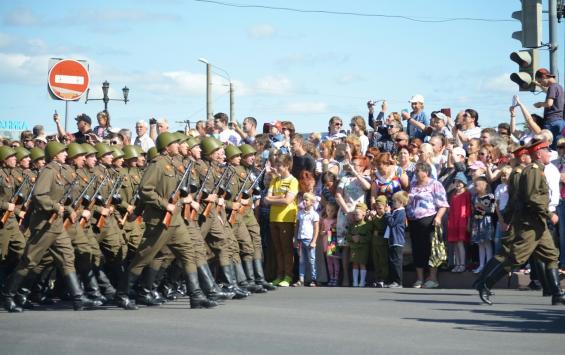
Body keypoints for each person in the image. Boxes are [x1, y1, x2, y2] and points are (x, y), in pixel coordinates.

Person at [2, 141, 103, 312]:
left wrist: (68, 209)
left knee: (67, 256)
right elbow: (39, 195)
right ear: (55, 155)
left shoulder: (60, 171)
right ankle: (9, 295)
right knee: (30, 260)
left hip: (56, 225)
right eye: (63, 152)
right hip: (44, 225)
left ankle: (78, 298)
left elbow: (63, 198)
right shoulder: (49, 171)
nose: (66, 154)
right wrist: (56, 207)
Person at [476, 139, 565, 306]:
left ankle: (556, 293)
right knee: (516, 257)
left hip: (538, 223)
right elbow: (532, 198)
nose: (549, 155)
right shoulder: (533, 171)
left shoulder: (539, 170)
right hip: (530, 223)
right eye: (547, 152)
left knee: (551, 255)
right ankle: (485, 284)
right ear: (539, 154)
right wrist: (548, 213)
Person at [406, 162, 449, 289]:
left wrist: (438, 217)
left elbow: (443, 204)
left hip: (429, 219)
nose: (416, 173)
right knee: (417, 249)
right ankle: (419, 278)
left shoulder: (435, 184)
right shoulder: (413, 184)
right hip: (414, 220)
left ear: (426, 172)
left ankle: (433, 278)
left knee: (431, 249)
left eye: (418, 170)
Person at [335, 156, 371, 286]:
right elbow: (338, 195)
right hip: (345, 214)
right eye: (351, 164)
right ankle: (345, 276)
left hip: (359, 215)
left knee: (358, 246)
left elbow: (367, 187)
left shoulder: (365, 178)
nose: (352, 166)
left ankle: (359, 279)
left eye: (355, 164)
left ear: (361, 167)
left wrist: (356, 173)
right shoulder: (344, 178)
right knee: (345, 246)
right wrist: (347, 211)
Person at [265, 154, 299, 288]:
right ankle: (279, 275)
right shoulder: (275, 180)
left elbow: (287, 201)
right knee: (277, 249)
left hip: (287, 219)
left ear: (287, 166)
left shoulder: (293, 181)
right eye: (276, 165)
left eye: (279, 165)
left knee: (286, 249)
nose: (277, 168)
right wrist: (279, 197)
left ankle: (288, 276)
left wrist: (275, 199)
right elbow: (266, 199)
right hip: (273, 218)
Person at [292, 192, 319, 287]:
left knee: (312, 260)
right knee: (301, 260)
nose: (304, 201)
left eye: (306, 200)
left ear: (312, 202)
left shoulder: (314, 214)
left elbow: (316, 228)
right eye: (303, 199)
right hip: (300, 239)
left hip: (309, 240)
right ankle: (301, 279)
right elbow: (297, 226)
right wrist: (295, 239)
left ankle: (313, 279)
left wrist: (314, 241)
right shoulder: (300, 213)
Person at [533, 68, 565, 148]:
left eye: (540, 81)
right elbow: (548, 91)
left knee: (549, 146)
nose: (542, 84)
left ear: (544, 77)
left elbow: (549, 103)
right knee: (558, 146)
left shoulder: (552, 87)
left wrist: (540, 104)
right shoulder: (559, 87)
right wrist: (538, 84)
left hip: (551, 121)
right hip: (560, 121)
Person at [384, 191, 409, 288]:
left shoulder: (401, 212)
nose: (393, 203)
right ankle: (393, 281)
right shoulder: (396, 212)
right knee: (392, 261)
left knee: (396, 262)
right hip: (392, 240)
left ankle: (398, 282)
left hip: (397, 240)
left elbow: (392, 223)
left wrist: (387, 213)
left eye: (395, 201)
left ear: (401, 202)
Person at [447, 172, 471, 273]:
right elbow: (451, 209)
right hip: (453, 221)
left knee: (460, 243)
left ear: (464, 183)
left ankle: (462, 264)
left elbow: (469, 209)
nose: (458, 184)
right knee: (455, 243)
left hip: (462, 221)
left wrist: (468, 222)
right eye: (456, 182)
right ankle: (457, 263)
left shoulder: (466, 194)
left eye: (460, 182)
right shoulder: (453, 195)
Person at [471, 176, 495, 274]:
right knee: (480, 244)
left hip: (486, 221)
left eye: (476, 185)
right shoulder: (475, 197)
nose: (475, 187)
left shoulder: (490, 196)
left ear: (483, 185)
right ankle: (481, 265)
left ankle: (488, 265)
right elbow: (473, 209)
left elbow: (492, 210)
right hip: (477, 222)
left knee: (487, 243)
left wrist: (482, 206)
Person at [346, 202, 371, 287]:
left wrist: (360, 239)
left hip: (363, 248)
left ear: (364, 214)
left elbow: (369, 237)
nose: (355, 216)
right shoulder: (352, 225)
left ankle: (362, 282)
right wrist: (352, 238)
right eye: (354, 214)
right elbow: (348, 235)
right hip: (354, 248)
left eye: (357, 214)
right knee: (355, 264)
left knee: (362, 264)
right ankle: (355, 282)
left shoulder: (367, 225)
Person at [321, 202, 339, 286]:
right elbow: (321, 232)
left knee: (335, 260)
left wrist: (328, 231)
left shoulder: (336, 220)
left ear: (335, 212)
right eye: (328, 210)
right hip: (325, 242)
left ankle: (336, 277)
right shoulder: (324, 220)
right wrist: (324, 232)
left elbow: (335, 231)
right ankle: (331, 277)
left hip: (332, 242)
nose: (330, 212)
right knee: (328, 261)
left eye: (332, 211)